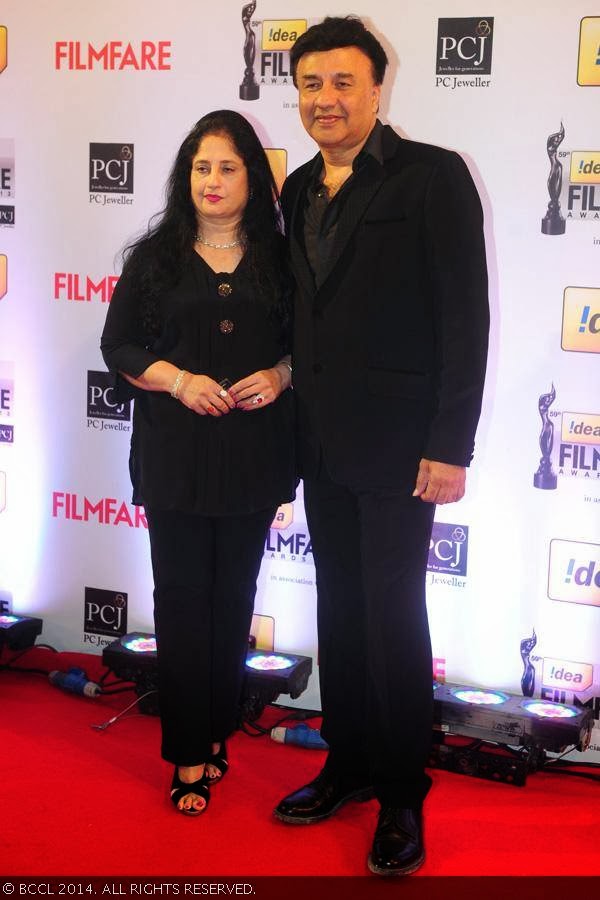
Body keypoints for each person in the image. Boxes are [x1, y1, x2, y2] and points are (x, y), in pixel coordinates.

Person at [272, 17, 489, 875]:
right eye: (312, 84)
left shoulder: (432, 176)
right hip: (319, 441)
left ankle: (402, 792)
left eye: (342, 83)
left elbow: (464, 319)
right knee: (341, 607)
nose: (326, 99)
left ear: (377, 87)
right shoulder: (294, 193)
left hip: (404, 447)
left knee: (394, 615)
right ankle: (348, 763)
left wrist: (451, 444)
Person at [101, 110, 295, 816]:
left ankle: (216, 731)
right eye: (201, 167)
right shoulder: (154, 258)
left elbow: (309, 345)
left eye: (228, 167)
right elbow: (117, 347)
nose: (212, 181)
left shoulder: (281, 258)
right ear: (186, 177)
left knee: (230, 604)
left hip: (253, 459)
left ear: (253, 177)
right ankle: (187, 751)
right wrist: (176, 379)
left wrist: (281, 373)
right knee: (183, 607)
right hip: (174, 461)